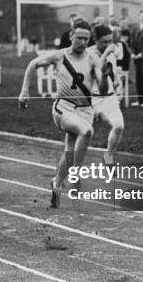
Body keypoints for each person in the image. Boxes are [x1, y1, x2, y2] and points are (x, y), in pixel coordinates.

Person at [19, 18, 103, 208]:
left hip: (85, 110)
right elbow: (33, 64)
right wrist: (25, 90)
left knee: (71, 150)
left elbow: (101, 84)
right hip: (63, 108)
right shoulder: (59, 56)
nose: (82, 42)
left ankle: (56, 183)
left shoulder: (93, 58)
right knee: (87, 132)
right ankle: (75, 177)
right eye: (79, 37)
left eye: (86, 39)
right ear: (71, 36)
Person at [89, 23, 125, 165]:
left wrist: (118, 83)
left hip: (109, 98)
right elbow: (98, 68)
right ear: (95, 40)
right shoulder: (89, 53)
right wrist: (106, 53)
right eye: (104, 41)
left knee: (119, 126)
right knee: (82, 135)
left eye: (110, 41)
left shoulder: (110, 54)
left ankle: (108, 156)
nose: (108, 44)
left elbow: (112, 73)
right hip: (92, 99)